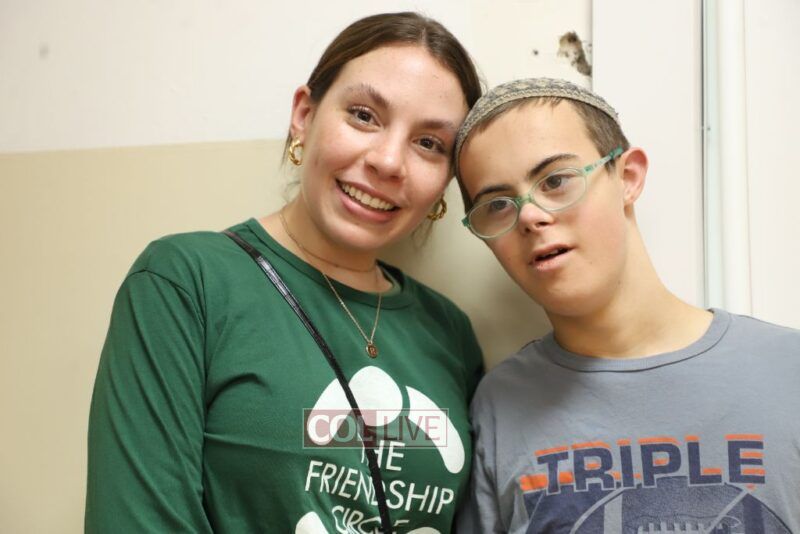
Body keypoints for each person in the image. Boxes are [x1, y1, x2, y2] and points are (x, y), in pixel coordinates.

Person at [85, 12, 484, 533]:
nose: (389, 161)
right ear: (304, 115)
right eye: (364, 115)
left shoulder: (449, 332)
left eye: (429, 144)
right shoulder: (186, 282)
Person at [453, 78, 800, 532]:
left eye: (556, 180)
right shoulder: (501, 405)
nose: (530, 216)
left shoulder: (787, 371)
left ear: (628, 178)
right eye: (498, 204)